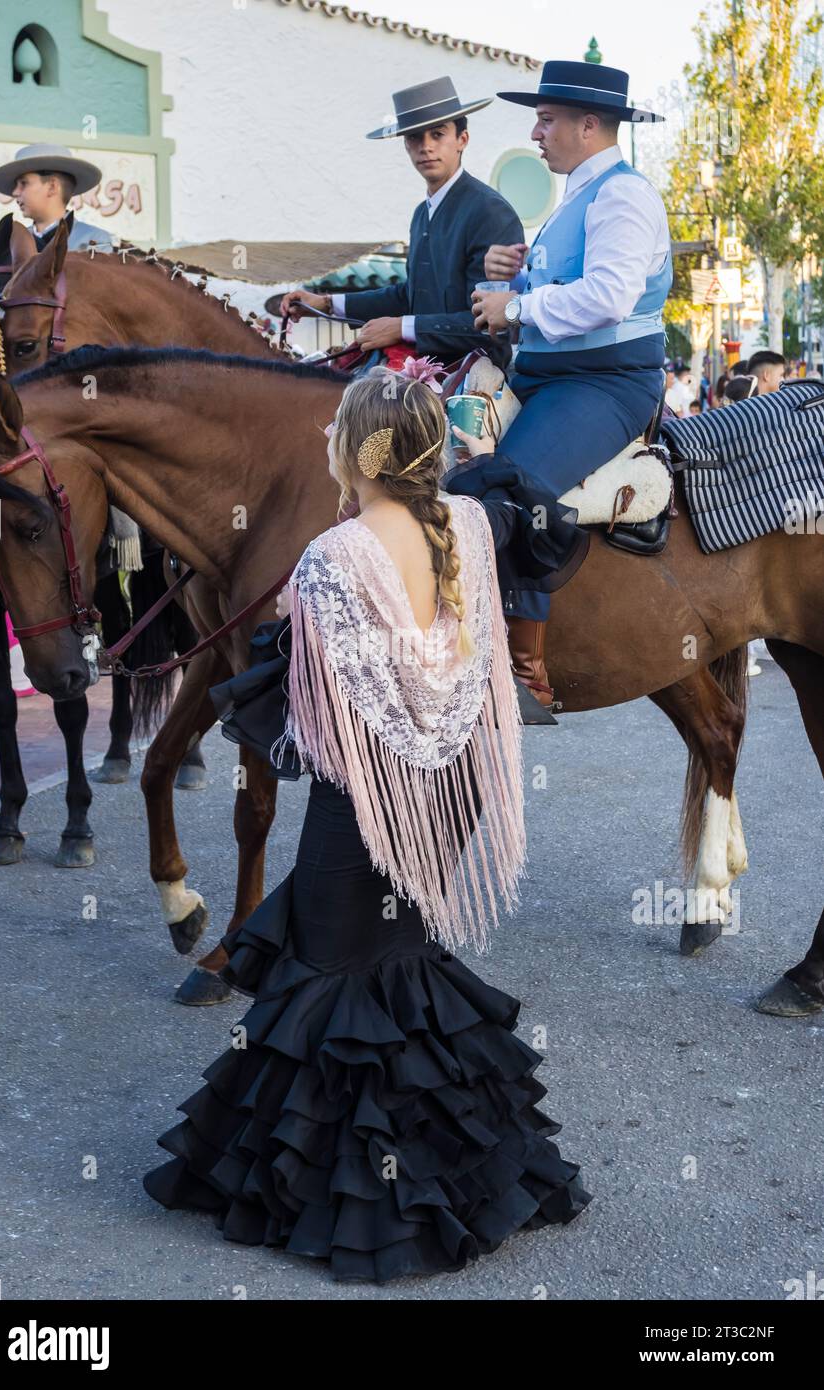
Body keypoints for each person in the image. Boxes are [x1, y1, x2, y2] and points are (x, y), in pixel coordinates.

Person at [143, 369, 592, 1282]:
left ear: (357, 452)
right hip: (457, 786)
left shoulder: (331, 558)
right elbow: (488, 626)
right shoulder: (469, 523)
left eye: (335, 437)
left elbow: (316, 724)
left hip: (368, 802)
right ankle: (451, 1163)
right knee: (400, 964)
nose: (326, 450)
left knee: (341, 977)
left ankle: (371, 1203)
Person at [467, 61, 672, 705]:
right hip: (552, 379)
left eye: (546, 119)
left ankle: (526, 676)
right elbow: (572, 287)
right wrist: (516, 274)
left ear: (589, 126)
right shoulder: (579, 198)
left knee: (505, 491)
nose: (535, 132)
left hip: (605, 386)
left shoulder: (623, 194)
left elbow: (610, 297)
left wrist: (518, 307)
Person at [280, 78, 525, 368]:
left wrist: (401, 328)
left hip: (471, 376)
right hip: (415, 363)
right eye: (414, 138)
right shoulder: (422, 212)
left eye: (437, 134)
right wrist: (326, 304)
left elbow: (489, 325)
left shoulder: (490, 211)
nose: (426, 147)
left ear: (462, 139)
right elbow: (410, 295)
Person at [0, 142, 115, 410]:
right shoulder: (3, 251)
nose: (15, 193)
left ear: (52, 186)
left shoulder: (95, 243)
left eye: (23, 183)